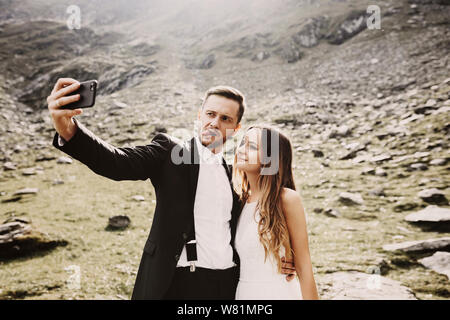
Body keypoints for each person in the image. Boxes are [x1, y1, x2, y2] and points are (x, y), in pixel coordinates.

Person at [46, 78, 296, 299]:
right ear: (199, 115)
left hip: (227, 285)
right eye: (210, 114)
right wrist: (68, 129)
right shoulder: (170, 151)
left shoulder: (235, 174)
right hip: (177, 282)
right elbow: (117, 162)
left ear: (236, 128)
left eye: (225, 119)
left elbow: (260, 222)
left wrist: (284, 258)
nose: (215, 123)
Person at [233, 124, 319, 299]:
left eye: (252, 146)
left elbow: (304, 265)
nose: (241, 150)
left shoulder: (287, 199)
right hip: (243, 294)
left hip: (278, 292)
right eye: (243, 143)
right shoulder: (239, 201)